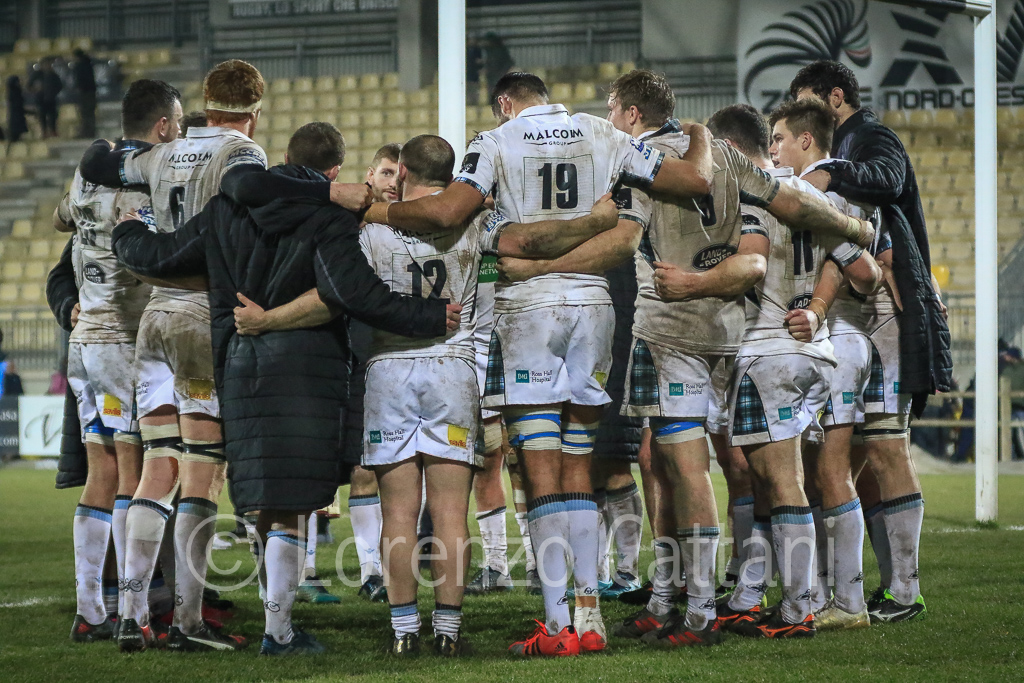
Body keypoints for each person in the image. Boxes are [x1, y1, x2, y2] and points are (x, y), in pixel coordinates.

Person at [361, 70, 717, 657]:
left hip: (529, 312)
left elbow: (450, 213)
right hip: (594, 307)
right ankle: (590, 616)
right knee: (579, 465)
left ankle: (556, 627)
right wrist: (699, 133)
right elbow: (695, 179)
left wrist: (370, 211)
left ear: (505, 103)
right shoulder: (602, 132)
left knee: (540, 470)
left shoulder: (495, 142)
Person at [112, 121, 456, 656]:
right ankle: (279, 631)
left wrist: (127, 231)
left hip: (241, 364)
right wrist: (429, 315)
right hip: (307, 371)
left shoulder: (227, 209)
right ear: (335, 173)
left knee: (265, 500)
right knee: (294, 503)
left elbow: (161, 257)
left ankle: (175, 614)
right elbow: (354, 293)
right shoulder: (329, 215)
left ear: (285, 160)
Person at [78, 59, 273, 653]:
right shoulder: (242, 153)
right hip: (198, 315)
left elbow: (100, 164)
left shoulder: (162, 154)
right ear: (254, 112)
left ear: (205, 105)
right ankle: (187, 622)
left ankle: (132, 614)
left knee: (157, 464)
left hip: (153, 319)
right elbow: (240, 216)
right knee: (202, 472)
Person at [790, 59, 949, 623]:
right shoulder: (836, 152)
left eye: (807, 101)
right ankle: (843, 589)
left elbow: (890, 180)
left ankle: (904, 591)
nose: (801, 115)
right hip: (853, 321)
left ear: (834, 98)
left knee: (885, 446)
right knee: (838, 460)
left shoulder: (868, 137)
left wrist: (830, 173)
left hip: (881, 312)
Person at [721, 99, 880, 640]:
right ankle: (786, 597)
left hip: (769, 352)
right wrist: (815, 307)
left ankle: (797, 609)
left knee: (781, 481)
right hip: (817, 354)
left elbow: (751, 264)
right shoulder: (820, 201)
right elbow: (866, 273)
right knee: (784, 479)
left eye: (780, 137)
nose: (773, 147)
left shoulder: (757, 197)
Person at [55, 79, 180, 642]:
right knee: (134, 472)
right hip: (122, 343)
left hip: (83, 343)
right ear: (162, 125)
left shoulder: (87, 174)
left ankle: (90, 612)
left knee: (100, 472)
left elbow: (61, 218)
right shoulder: (143, 182)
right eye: (178, 123)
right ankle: (134, 614)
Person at [767, 97, 880, 630]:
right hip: (829, 344)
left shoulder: (821, 193)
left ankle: (847, 602)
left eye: (779, 139)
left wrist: (815, 306)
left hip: (833, 344)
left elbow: (865, 273)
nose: (773, 149)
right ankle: (820, 593)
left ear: (805, 140)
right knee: (815, 474)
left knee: (829, 473)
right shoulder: (824, 190)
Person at [30, 58, 63, 138]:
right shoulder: (37, 74)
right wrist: (36, 90)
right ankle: (44, 132)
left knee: (53, 116)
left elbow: (60, 85)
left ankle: (53, 131)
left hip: (51, 99)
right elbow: (29, 85)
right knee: (42, 117)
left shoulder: (53, 75)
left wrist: (54, 92)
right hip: (40, 99)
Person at [72, 49, 97, 139]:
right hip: (91, 92)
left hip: (85, 92)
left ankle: (87, 132)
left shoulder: (80, 66)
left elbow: (81, 80)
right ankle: (90, 131)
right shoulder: (89, 64)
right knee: (89, 113)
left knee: (85, 113)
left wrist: (79, 88)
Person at [6, 75, 29, 143]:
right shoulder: (14, 93)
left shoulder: (16, 91)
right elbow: (17, 105)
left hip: (17, 114)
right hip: (16, 115)